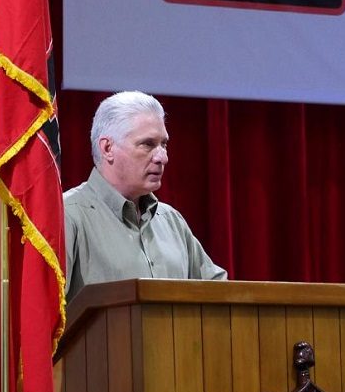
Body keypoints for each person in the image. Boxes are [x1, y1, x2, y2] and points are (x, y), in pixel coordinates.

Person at [64, 91, 227, 302]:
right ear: (107, 148)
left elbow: (220, 295)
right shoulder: (68, 215)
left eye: (163, 144)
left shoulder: (171, 220)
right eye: (148, 144)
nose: (162, 157)